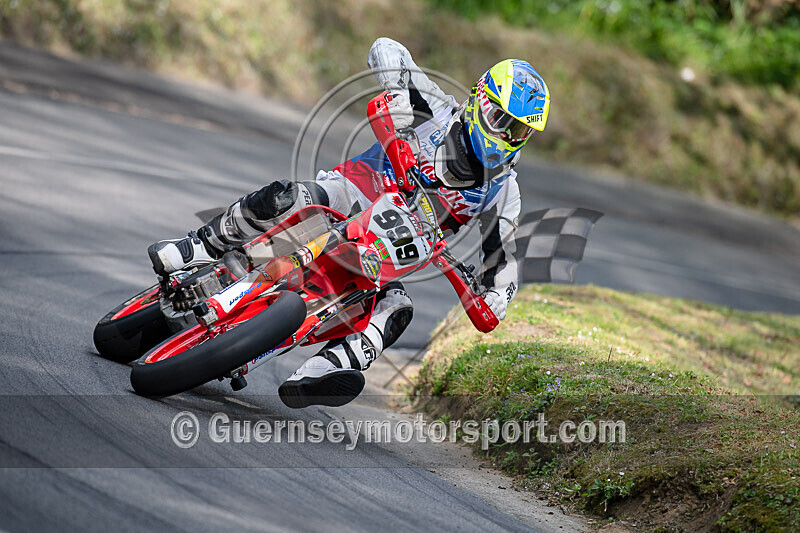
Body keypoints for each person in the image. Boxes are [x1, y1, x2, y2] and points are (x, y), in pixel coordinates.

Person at [148, 37, 550, 408]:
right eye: (501, 119)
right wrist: (396, 92)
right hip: (349, 194)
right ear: (480, 99)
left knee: (397, 309)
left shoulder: (504, 191)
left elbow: (503, 261)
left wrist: (495, 298)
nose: (506, 135)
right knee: (286, 197)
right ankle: (197, 247)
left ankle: (324, 371)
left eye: (519, 130)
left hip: (389, 246)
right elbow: (386, 49)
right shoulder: (436, 108)